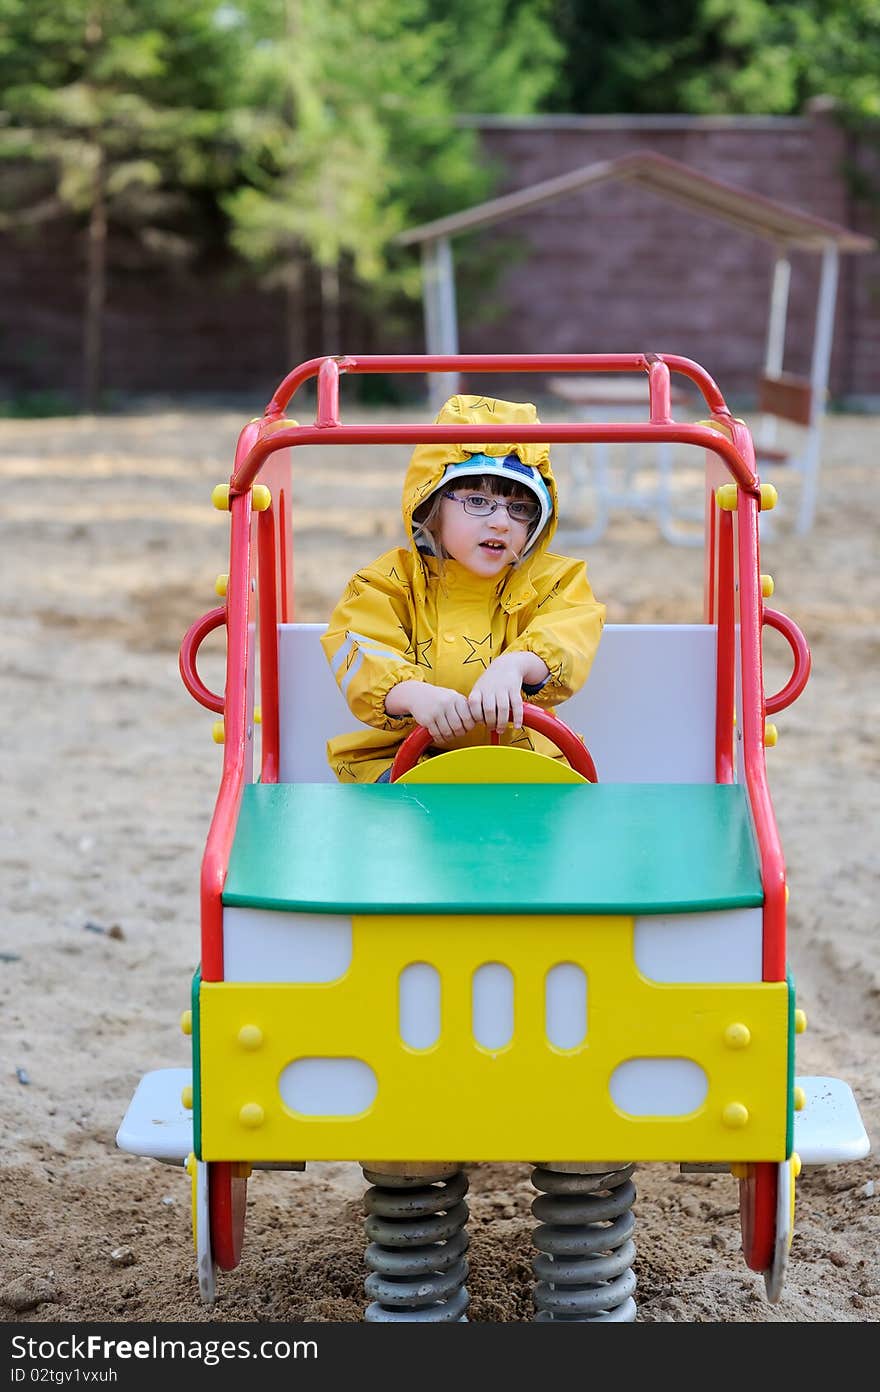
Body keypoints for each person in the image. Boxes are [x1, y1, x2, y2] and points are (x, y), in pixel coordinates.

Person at [320, 393, 606, 782]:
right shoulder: (387, 583)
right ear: (432, 506)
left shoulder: (553, 581)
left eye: (519, 508)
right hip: (405, 755)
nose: (501, 522)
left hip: (521, 754)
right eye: (478, 500)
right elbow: (358, 645)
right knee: (393, 806)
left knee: (558, 800)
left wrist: (516, 664)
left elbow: (569, 633)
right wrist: (412, 694)